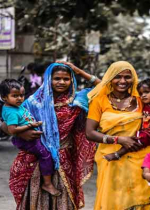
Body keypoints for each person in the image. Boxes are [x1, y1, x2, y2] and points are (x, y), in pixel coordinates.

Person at [8, 63, 98, 209]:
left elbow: (104, 87)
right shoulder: (34, 102)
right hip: (37, 159)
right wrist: (23, 133)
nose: (61, 82)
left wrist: (79, 71)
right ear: (48, 79)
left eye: (66, 79)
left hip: (65, 159)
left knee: (64, 199)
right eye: (56, 78)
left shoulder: (77, 100)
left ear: (71, 80)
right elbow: (7, 123)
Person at [86, 61, 150, 210]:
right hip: (111, 157)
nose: (123, 81)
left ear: (133, 78)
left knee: (140, 199)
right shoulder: (99, 100)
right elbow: (89, 132)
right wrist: (118, 139)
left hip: (140, 156)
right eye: (118, 77)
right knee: (113, 200)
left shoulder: (141, 100)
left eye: (127, 77)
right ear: (110, 78)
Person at [0, 79, 60, 196]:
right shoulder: (12, 111)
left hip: (31, 136)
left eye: (22, 95)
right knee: (45, 154)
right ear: (4, 98)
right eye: (15, 96)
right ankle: (47, 183)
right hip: (28, 140)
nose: (20, 99)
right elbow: (11, 129)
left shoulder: (18, 106)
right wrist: (30, 126)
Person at [103, 78, 150, 161]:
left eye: (146, 92)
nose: (143, 95)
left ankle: (118, 154)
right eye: (141, 93)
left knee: (134, 141)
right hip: (145, 131)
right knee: (133, 140)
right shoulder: (147, 104)